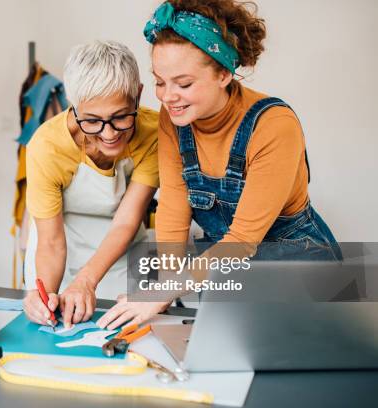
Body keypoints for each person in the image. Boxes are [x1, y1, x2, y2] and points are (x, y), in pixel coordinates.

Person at [97, 0, 342, 329]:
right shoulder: (177, 118)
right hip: (230, 264)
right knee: (152, 270)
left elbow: (242, 240)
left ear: (224, 73)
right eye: (159, 81)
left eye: (183, 84)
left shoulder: (273, 125)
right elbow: (173, 204)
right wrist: (164, 288)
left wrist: (164, 291)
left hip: (296, 260)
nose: (168, 97)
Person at [23, 41, 159, 328]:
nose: (109, 134)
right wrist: (45, 297)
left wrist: (87, 279)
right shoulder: (47, 147)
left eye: (121, 117)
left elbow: (127, 220)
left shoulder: (154, 133)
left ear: (138, 96)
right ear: (75, 106)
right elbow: (50, 242)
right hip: (59, 244)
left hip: (122, 249)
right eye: (93, 121)